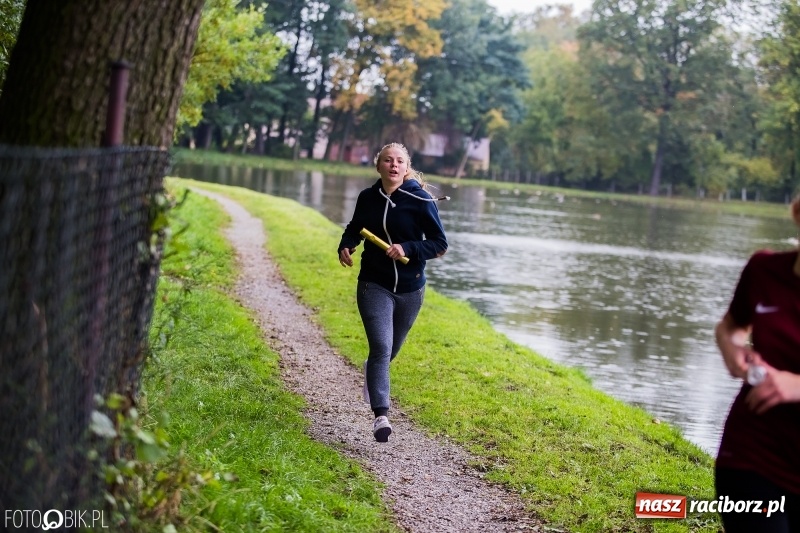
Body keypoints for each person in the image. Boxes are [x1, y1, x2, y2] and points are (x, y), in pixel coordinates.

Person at [338, 143, 448, 442]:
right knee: (381, 347)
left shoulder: (420, 199)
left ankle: (374, 370)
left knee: (388, 352)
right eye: (388, 160)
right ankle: (381, 416)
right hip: (374, 283)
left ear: (406, 166)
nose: (393, 165)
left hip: (411, 289)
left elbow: (439, 244)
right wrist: (346, 244)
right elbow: (355, 227)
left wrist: (408, 247)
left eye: (399, 161)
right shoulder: (367, 198)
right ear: (378, 166)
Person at [713, 196, 800, 532]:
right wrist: (735, 353)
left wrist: (795, 385)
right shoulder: (764, 270)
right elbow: (731, 328)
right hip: (753, 458)